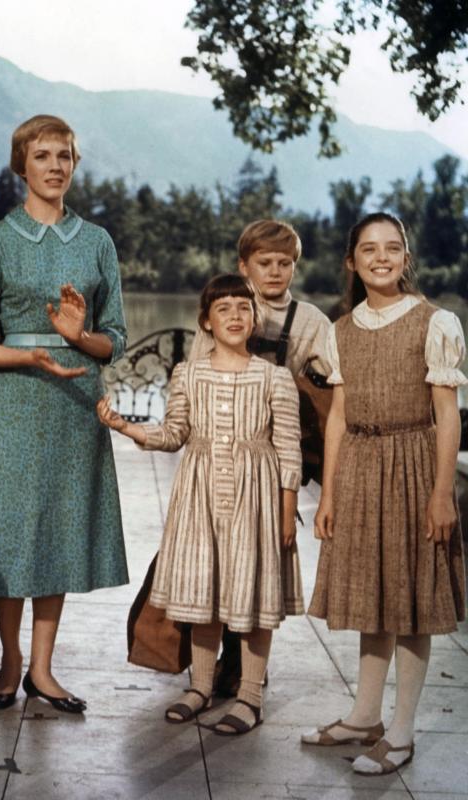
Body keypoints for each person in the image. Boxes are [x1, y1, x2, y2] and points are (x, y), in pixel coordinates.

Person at [0, 114, 128, 712]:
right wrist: (28, 354)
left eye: (64, 156)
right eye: (42, 155)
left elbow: (116, 339)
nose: (55, 166)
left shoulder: (97, 242)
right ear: (20, 165)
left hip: (77, 402)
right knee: (11, 530)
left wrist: (80, 338)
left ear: (74, 165)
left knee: (58, 529)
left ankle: (43, 669)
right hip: (14, 399)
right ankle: (9, 662)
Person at [99, 273, 303, 734]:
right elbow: (174, 433)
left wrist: (287, 510)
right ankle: (200, 687)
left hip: (256, 501)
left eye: (244, 307)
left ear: (255, 318)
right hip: (200, 498)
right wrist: (126, 427)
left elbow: (288, 449)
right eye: (223, 308)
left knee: (252, 598)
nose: (235, 315)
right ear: (206, 321)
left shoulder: (275, 378)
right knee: (203, 595)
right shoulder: (188, 374)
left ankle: (250, 696)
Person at [302, 212, 466, 774]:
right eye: (369, 249)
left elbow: (448, 416)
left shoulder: (435, 322)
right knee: (373, 595)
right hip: (360, 470)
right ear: (351, 261)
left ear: (406, 258)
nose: (381, 257)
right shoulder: (340, 330)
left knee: (412, 600)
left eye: (392, 248)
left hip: (415, 467)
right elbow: (338, 417)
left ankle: (401, 731)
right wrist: (328, 494)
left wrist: (442, 494)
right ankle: (364, 716)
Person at [189, 219, 332, 696]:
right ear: (243, 265)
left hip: (271, 455)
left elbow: (334, 388)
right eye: (264, 262)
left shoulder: (310, 321)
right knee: (214, 559)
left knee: (256, 562)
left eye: (284, 263)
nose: (274, 272)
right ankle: (211, 660)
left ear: (295, 266)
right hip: (220, 453)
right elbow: (197, 376)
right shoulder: (226, 306)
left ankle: (244, 665)